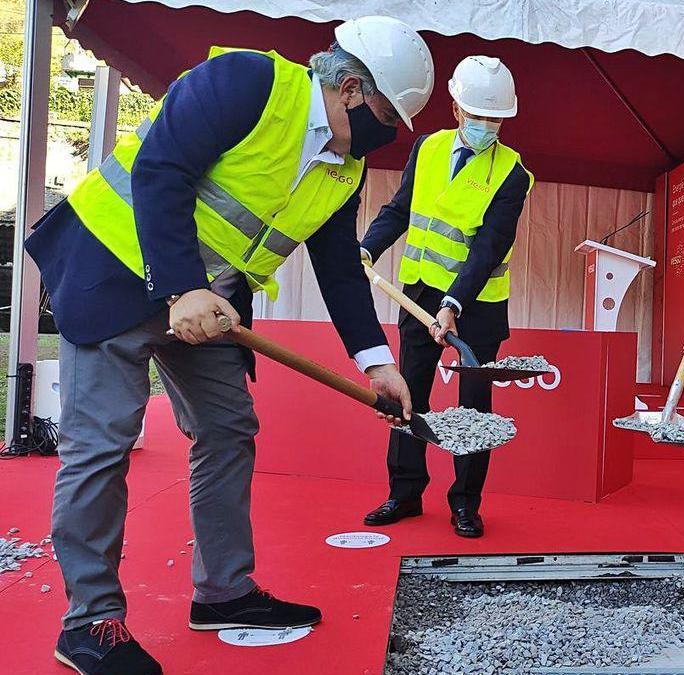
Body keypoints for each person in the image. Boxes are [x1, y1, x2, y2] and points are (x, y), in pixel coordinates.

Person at [25, 17, 434, 674]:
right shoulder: (248, 81)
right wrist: (180, 287)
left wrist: (377, 362)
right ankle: (90, 622)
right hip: (114, 267)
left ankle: (223, 591)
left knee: (229, 426)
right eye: (389, 114)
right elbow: (160, 168)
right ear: (353, 88)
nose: (389, 135)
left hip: (207, 304)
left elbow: (337, 267)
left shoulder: (344, 169)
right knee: (101, 442)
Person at [359, 56, 533, 539]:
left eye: (494, 118)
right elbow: (399, 210)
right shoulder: (429, 148)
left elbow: (487, 249)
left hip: (475, 308)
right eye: (476, 115)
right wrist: (367, 246)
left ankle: (465, 504)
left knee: (474, 409)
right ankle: (405, 493)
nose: (484, 126)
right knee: (406, 392)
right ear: (455, 108)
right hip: (417, 294)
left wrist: (453, 304)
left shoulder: (513, 175)